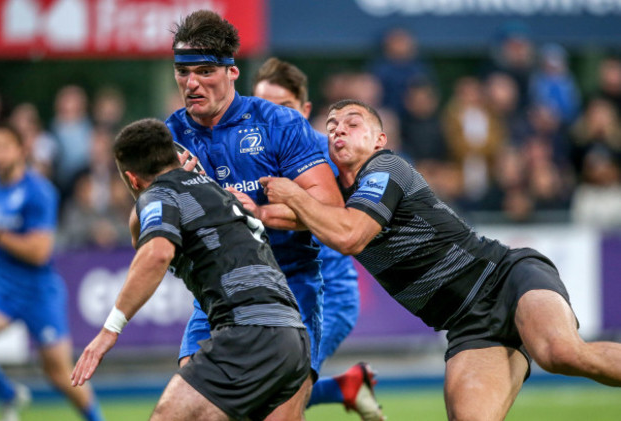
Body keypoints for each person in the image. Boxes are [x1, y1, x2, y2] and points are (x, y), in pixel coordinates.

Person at [259, 99, 621, 420]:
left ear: (379, 140)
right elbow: (302, 218)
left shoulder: (388, 167)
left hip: (507, 278)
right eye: (332, 126)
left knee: (559, 352)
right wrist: (252, 209)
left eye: (352, 124)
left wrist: (292, 193)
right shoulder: (336, 202)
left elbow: (349, 236)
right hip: (467, 323)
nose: (339, 130)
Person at [163, 10, 382, 420]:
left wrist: (259, 211)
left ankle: (337, 385)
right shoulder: (168, 137)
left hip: (291, 289)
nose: (191, 83)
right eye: (182, 72)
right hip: (216, 298)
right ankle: (346, 386)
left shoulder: (281, 125)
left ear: (231, 71)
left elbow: (332, 211)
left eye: (204, 71)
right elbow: (149, 227)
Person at [71, 118, 311, 421]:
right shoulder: (212, 189)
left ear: (132, 180)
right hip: (292, 337)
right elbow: (139, 232)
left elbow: (156, 253)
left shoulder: (159, 195)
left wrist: (110, 331)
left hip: (249, 333)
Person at [252, 57, 382, 418]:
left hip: (328, 295)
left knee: (275, 399)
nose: (274, 117)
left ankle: (347, 386)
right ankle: (348, 386)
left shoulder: (324, 153)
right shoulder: (250, 155)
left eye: (285, 108)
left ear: (305, 109)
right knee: (259, 395)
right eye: (263, 107)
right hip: (278, 295)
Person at [0, 122, 103, 421]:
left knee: (60, 376)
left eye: (3, 147)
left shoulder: (40, 192)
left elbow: (40, 252)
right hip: (3, 291)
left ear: (21, 149)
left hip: (39, 295)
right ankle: (10, 395)